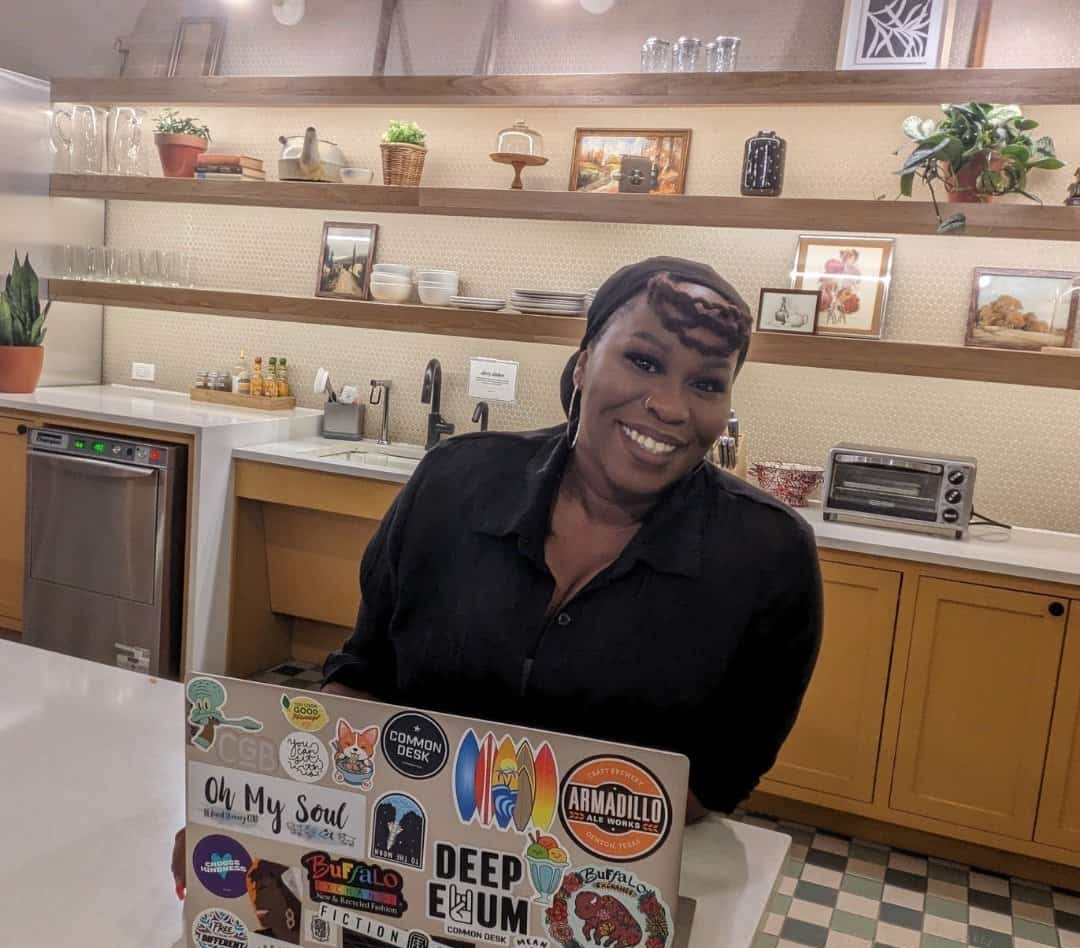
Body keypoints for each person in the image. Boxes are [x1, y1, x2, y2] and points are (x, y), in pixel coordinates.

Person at [171, 256, 823, 895]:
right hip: (403, 871)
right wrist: (259, 810)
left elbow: (717, 779)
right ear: (585, 359)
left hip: (607, 903)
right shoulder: (452, 484)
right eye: (644, 362)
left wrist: (512, 851)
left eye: (706, 384)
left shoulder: (767, 557)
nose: (670, 405)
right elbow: (364, 675)